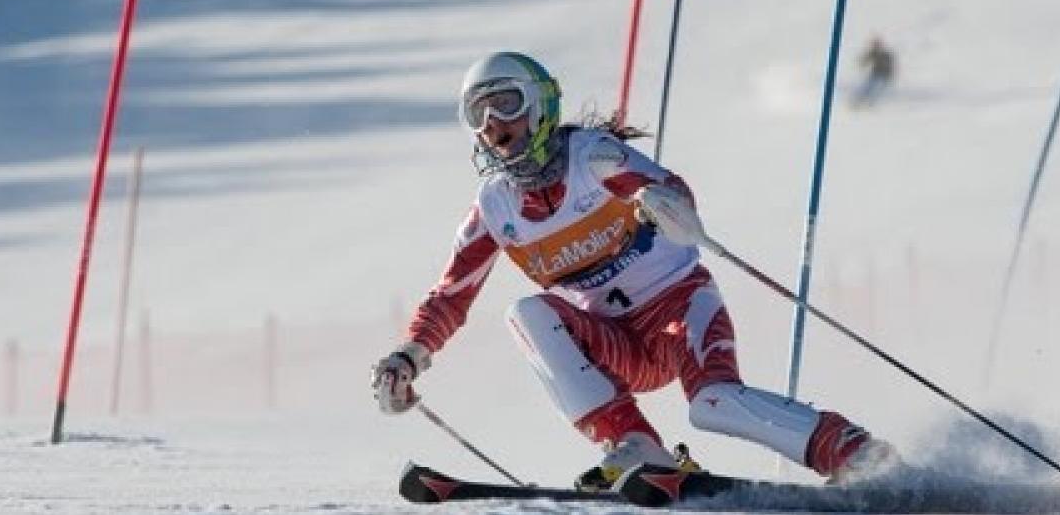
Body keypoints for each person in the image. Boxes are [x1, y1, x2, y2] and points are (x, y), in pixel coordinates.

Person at [371, 52, 899, 490]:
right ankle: (636, 446)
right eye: (477, 114)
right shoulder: (495, 207)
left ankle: (853, 453)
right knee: (525, 313)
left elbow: (669, 191)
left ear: (541, 105)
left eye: (506, 103)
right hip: (612, 342)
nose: (493, 126)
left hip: (678, 311)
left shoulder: (592, 156)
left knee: (713, 404)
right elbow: (449, 297)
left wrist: (657, 202)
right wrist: (409, 357)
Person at [852, 35, 897, 107]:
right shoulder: (873, 53)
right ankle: (859, 101)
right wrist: (862, 62)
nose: (875, 47)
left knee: (876, 89)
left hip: (884, 75)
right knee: (867, 86)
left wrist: (889, 75)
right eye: (874, 45)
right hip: (875, 73)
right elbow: (865, 60)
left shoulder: (885, 54)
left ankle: (870, 103)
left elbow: (891, 65)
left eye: (877, 45)